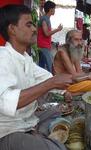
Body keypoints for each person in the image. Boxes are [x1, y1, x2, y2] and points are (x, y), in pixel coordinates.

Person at [0, 4, 73, 150]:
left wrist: (90, 77)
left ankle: (37, 134)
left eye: (33, 24)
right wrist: (50, 83)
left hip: (26, 121)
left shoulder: (25, 58)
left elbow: (47, 77)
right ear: (12, 29)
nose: (34, 29)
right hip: (7, 130)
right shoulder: (2, 57)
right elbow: (6, 102)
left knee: (59, 112)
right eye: (29, 25)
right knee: (56, 148)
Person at [53, 30, 91, 94]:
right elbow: (74, 77)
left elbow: (79, 72)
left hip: (72, 81)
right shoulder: (62, 52)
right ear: (68, 41)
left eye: (80, 39)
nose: (80, 43)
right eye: (76, 40)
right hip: (63, 85)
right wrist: (89, 76)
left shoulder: (74, 50)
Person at [37, 1, 63, 73]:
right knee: (50, 66)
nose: (54, 11)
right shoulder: (44, 19)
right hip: (43, 46)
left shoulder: (46, 18)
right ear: (51, 9)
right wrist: (58, 29)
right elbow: (46, 33)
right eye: (54, 9)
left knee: (41, 67)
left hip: (43, 45)